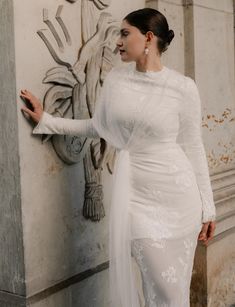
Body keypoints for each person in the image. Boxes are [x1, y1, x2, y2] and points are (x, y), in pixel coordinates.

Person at [20, 8, 216, 307]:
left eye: (125, 33)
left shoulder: (183, 88)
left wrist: (208, 207)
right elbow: (95, 127)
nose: (118, 42)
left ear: (148, 37)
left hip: (179, 198)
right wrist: (47, 120)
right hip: (136, 200)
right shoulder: (116, 80)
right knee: (161, 286)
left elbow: (193, 145)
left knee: (173, 292)